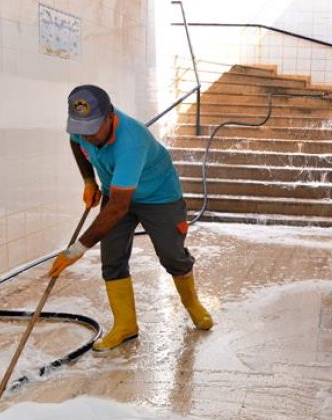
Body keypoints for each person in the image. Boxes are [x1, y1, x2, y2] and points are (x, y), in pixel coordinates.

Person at [47, 85, 213, 351]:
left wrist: (76, 249)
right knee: (111, 259)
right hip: (118, 192)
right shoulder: (81, 130)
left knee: (172, 255)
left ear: (110, 116)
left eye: (93, 129)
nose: (87, 136)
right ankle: (126, 326)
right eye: (81, 128)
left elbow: (118, 209)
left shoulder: (131, 142)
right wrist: (89, 180)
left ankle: (192, 303)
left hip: (159, 196)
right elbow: (75, 143)